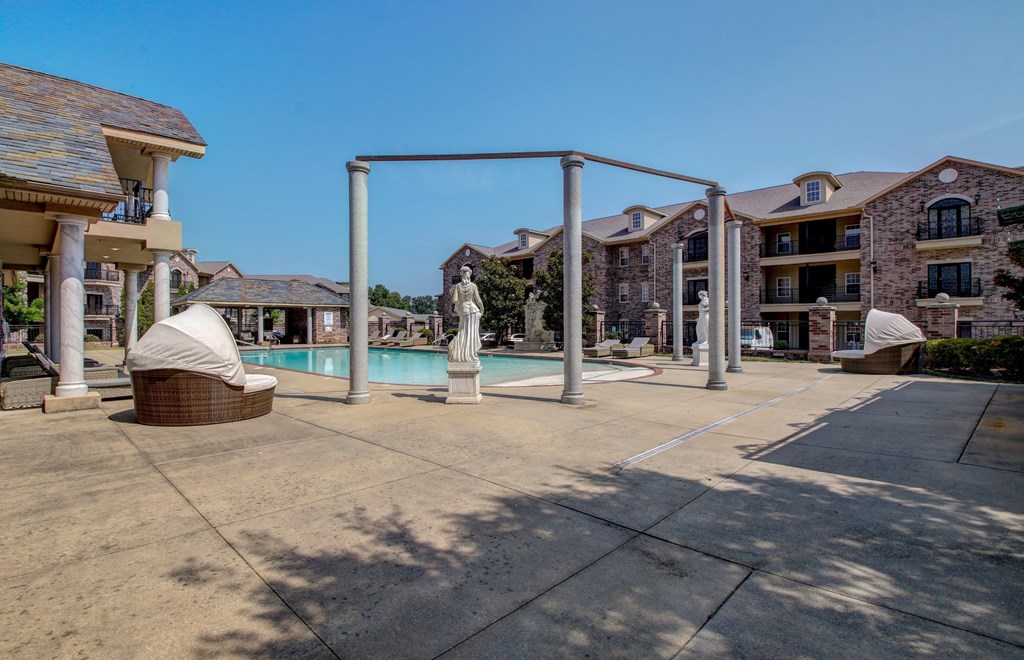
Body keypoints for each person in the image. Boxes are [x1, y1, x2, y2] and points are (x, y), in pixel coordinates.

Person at [448, 265, 484, 363]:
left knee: (463, 332)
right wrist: (482, 309)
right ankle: (470, 354)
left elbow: (455, 300)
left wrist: (452, 294)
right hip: (474, 310)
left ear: (461, 275)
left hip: (464, 310)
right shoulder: (473, 286)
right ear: (470, 274)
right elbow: (478, 300)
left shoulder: (457, 286)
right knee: (471, 333)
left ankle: (462, 354)